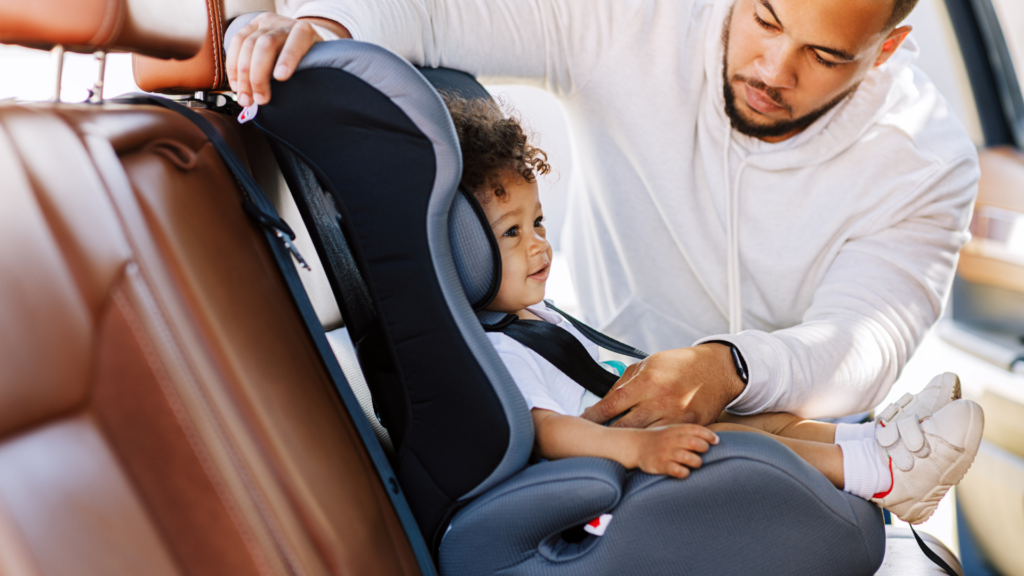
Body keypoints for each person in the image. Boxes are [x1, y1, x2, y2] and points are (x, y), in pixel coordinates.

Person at [225, 0, 979, 428]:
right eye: (765, 18)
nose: (773, 71)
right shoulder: (640, 18)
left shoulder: (926, 162)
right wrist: (326, 26)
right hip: (599, 388)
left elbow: (862, 342)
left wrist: (730, 366)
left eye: (826, 56)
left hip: (779, 417)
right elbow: (434, 12)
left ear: (887, 51)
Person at [443, 93, 982, 524]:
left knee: (769, 418)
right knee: (738, 438)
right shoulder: (495, 348)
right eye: (511, 232)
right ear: (461, 252)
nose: (538, 244)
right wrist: (636, 450)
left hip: (640, 438)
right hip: (620, 475)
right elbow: (548, 433)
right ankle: (879, 473)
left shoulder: (537, 316)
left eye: (537, 223)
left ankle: (877, 442)